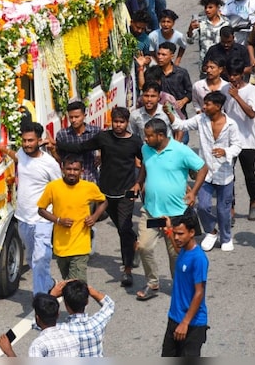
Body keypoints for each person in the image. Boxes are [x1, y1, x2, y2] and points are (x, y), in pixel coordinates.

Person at [57, 108, 143, 286]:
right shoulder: (104, 137)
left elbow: (146, 163)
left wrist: (138, 184)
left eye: (122, 122)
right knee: (122, 228)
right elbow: (81, 147)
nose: (118, 125)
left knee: (124, 228)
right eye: (115, 121)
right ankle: (132, 244)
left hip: (126, 192)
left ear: (127, 123)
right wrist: (56, 144)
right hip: (105, 193)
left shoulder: (135, 142)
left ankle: (127, 270)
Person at [129, 118, 207, 301]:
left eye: (149, 136)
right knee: (144, 247)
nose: (145, 139)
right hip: (151, 211)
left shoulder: (180, 150)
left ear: (161, 135)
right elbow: (145, 169)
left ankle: (179, 286)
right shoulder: (146, 149)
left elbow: (203, 168)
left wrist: (193, 192)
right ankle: (152, 282)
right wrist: (138, 183)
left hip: (176, 215)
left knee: (176, 254)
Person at [0, 122, 61, 297]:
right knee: (31, 260)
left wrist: (59, 217)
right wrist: (2, 148)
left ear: (39, 140)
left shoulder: (49, 163)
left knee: (39, 259)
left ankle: (40, 303)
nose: (27, 144)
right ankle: (49, 283)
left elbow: (59, 188)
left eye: (31, 140)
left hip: (43, 220)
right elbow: (17, 157)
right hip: (23, 218)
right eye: (24, 140)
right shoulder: (22, 153)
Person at [167, 91, 242, 252]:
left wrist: (226, 152)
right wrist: (170, 114)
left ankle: (226, 237)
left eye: (208, 104)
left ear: (218, 106)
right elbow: (181, 125)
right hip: (205, 174)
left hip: (224, 175)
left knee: (223, 210)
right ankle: (211, 231)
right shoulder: (201, 119)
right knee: (202, 207)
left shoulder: (231, 124)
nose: (204, 106)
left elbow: (237, 146)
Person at [37, 155, 107, 284]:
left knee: (77, 284)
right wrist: (58, 220)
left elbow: (103, 202)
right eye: (69, 169)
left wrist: (94, 217)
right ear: (62, 169)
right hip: (61, 246)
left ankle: (80, 303)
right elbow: (41, 209)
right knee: (68, 282)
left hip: (81, 245)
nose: (72, 173)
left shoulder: (89, 187)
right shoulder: (53, 187)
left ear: (82, 171)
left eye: (76, 170)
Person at [160, 213, 209, 357]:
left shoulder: (199, 259)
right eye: (175, 234)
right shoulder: (184, 251)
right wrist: (169, 230)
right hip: (174, 318)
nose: (176, 238)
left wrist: (185, 323)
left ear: (192, 232)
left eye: (180, 234)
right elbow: (177, 249)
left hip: (192, 324)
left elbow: (199, 292)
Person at [224, 59, 255, 221]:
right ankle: (230, 206)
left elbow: (252, 113)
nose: (232, 78)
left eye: (236, 75)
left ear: (241, 75)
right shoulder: (224, 89)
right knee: (228, 174)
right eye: (230, 75)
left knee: (249, 174)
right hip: (229, 140)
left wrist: (237, 97)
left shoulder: (251, 90)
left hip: (247, 139)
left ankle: (253, 201)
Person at [0, 293, 80, 357]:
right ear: (58, 314)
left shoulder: (38, 345)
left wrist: (9, 352)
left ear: (37, 318)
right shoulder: (72, 336)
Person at [140, 42, 193, 143]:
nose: (160, 57)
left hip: (178, 117)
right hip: (159, 119)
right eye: (158, 54)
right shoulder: (154, 73)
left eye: (163, 55)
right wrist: (141, 68)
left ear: (172, 56)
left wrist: (183, 101)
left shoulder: (181, 73)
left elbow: (190, 92)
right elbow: (144, 87)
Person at [49, 279, 115, 357]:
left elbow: (39, 321)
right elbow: (110, 304)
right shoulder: (96, 323)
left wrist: (52, 295)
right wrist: (90, 289)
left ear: (66, 305)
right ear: (87, 301)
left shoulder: (60, 330)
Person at [51, 101, 100, 183]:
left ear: (84, 116)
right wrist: (52, 150)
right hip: (71, 182)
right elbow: (60, 159)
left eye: (77, 117)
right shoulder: (62, 135)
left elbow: (105, 146)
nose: (73, 120)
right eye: (71, 117)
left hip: (91, 179)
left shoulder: (95, 132)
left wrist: (101, 155)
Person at [188, 0, 230, 78]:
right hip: (206, 65)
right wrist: (190, 30)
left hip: (222, 65)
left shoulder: (226, 23)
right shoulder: (200, 22)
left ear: (217, 7)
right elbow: (190, 41)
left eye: (210, 7)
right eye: (205, 8)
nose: (207, 10)